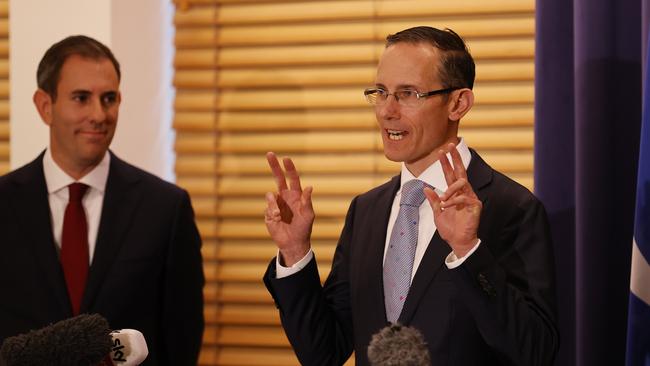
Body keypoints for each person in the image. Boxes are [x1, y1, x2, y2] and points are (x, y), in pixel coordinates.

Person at [262, 26, 558, 365]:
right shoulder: (366, 210)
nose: (387, 111)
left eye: (408, 94)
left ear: (458, 103)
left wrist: (468, 252)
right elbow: (323, 352)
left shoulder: (512, 208)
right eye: (381, 92)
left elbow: (536, 351)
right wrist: (295, 252)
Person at [0, 35, 204, 366]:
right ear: (45, 106)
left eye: (109, 98)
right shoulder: (4, 203)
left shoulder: (166, 208)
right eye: (81, 98)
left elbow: (181, 340)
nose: (99, 114)